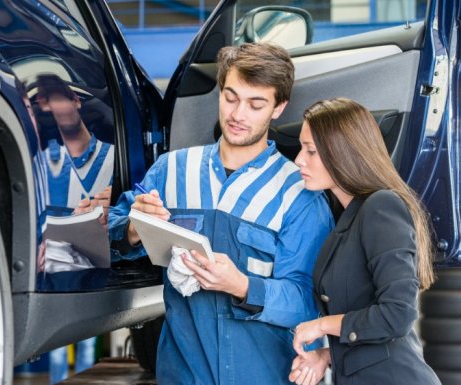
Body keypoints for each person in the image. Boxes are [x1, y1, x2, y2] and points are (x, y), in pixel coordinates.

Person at [108, 43, 334, 385]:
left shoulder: (298, 195)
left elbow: (308, 303)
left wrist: (243, 286)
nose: (238, 115)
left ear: (279, 107)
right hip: (183, 373)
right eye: (230, 97)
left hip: (266, 374)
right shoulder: (170, 172)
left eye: (256, 104)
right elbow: (110, 229)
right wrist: (133, 228)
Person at [289, 97, 440, 385]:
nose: (299, 159)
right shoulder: (348, 217)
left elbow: (397, 315)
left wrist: (322, 326)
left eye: (311, 151)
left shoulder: (381, 207)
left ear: (341, 153)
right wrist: (327, 356)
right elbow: (366, 323)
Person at [36, 73, 113, 210]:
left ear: (76, 101)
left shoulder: (116, 157)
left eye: (59, 100)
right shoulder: (40, 165)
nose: (57, 109)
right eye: (49, 103)